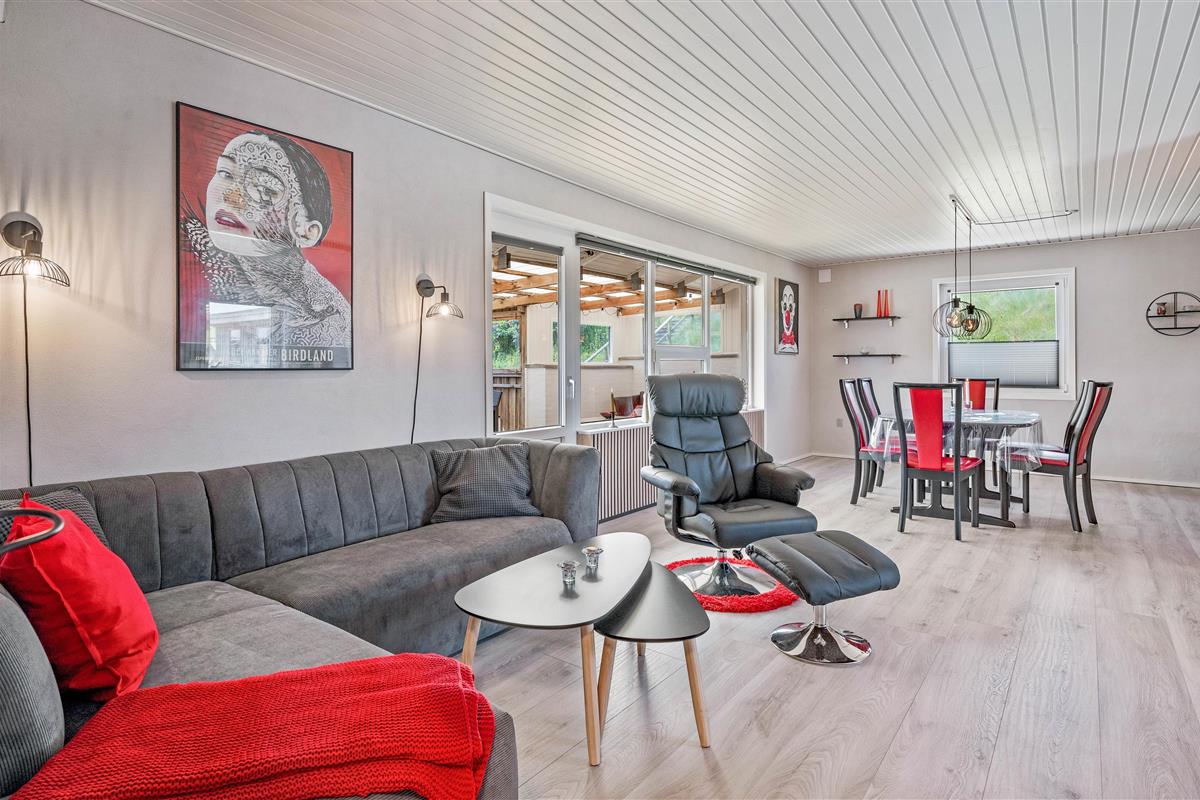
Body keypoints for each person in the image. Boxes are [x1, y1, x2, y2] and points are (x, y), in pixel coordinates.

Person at [181, 130, 350, 367]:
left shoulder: (325, 317)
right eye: (225, 173)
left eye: (264, 189)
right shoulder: (202, 263)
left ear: (305, 231)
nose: (231, 196)